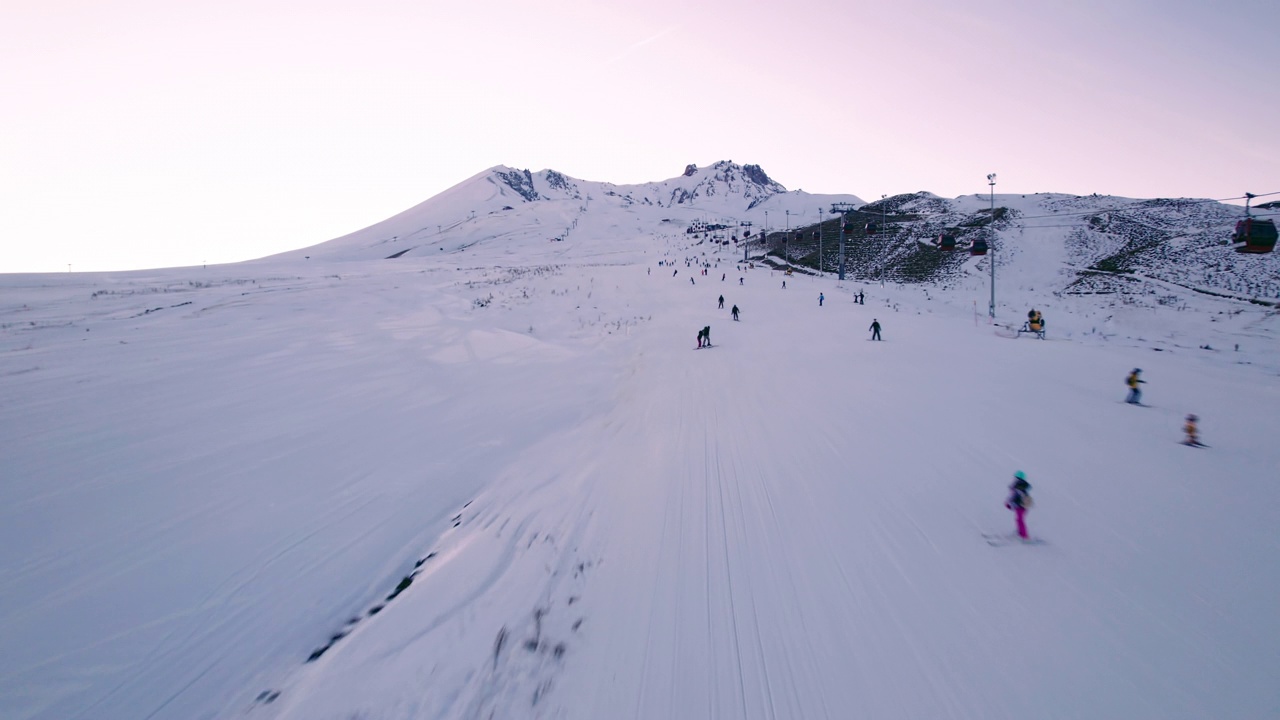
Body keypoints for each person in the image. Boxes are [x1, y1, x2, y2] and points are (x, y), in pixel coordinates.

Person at [1005, 471, 1033, 539]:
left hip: (1020, 505)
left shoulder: (1017, 486)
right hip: (1024, 505)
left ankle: (1024, 535)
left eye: (1016, 477)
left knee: (1020, 520)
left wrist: (1009, 503)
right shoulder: (1022, 486)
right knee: (1019, 519)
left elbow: (1014, 496)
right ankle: (1021, 533)